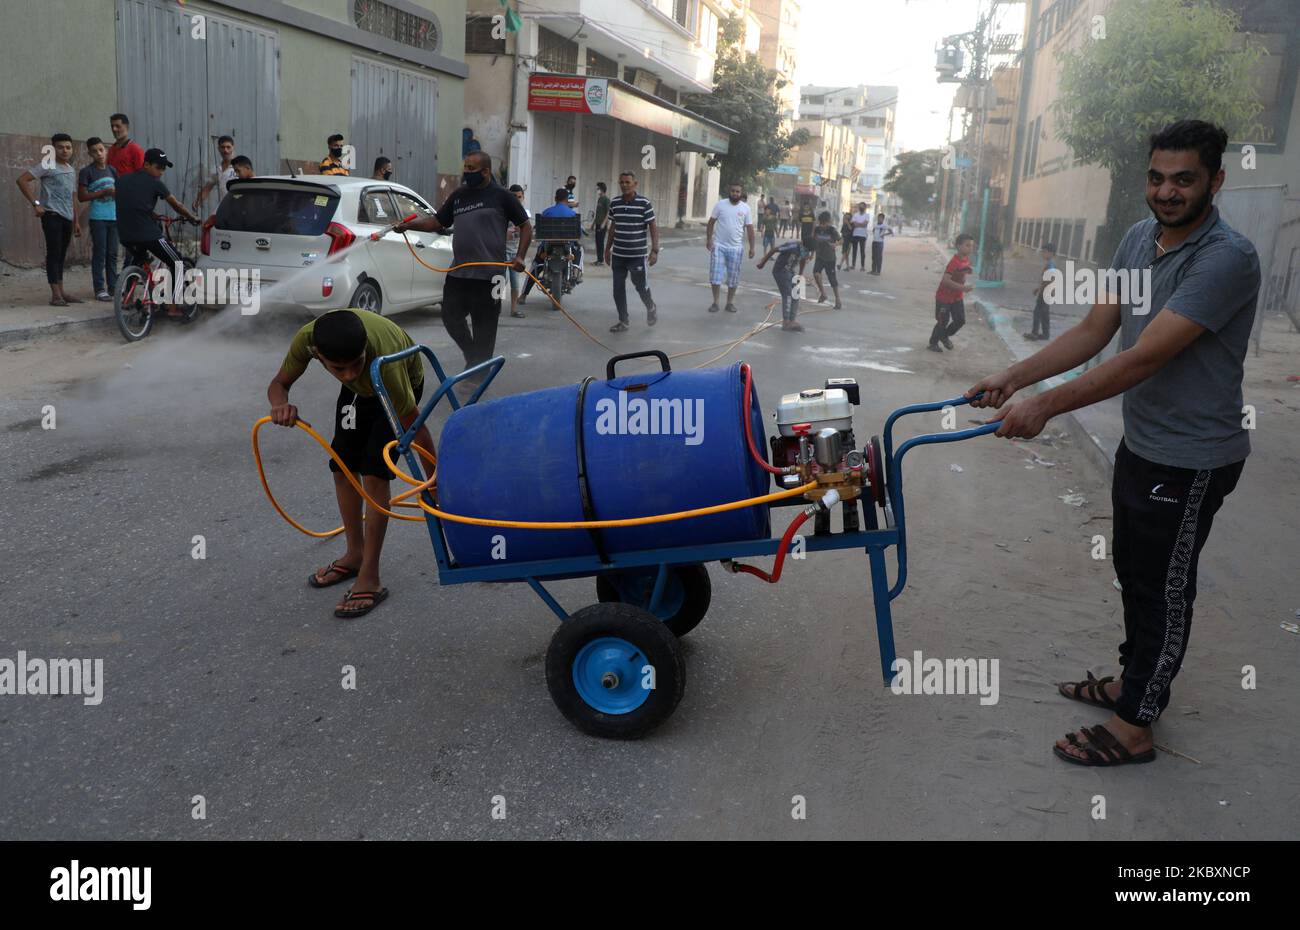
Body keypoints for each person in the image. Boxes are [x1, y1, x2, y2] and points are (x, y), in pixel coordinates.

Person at [967, 120, 1258, 768]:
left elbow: (1141, 359)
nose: (1167, 191)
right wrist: (1015, 376)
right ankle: (1135, 683)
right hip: (1146, 444)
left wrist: (1044, 405)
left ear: (1216, 180)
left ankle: (1135, 726)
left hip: (1195, 459)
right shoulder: (1136, 239)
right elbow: (1098, 329)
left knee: (1164, 588)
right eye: (1157, 177)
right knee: (1134, 572)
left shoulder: (1226, 258)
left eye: (1184, 179)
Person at [267, 308, 434, 620]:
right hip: (361, 394)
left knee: (374, 471)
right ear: (317, 354)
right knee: (342, 467)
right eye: (338, 369)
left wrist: (434, 484)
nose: (348, 374)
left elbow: (417, 428)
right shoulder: (307, 340)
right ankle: (355, 554)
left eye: (355, 363)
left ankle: (370, 574)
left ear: (364, 351)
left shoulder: (385, 363)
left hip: (395, 383)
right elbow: (279, 383)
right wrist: (280, 405)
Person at [394, 151, 530, 372]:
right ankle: (474, 357)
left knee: (484, 328)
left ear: (486, 171)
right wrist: (408, 225)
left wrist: (520, 256)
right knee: (450, 317)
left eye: (471, 169)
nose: (466, 172)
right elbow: (437, 221)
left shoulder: (502, 196)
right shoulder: (459, 196)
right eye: (465, 167)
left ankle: (478, 373)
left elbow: (526, 225)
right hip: (459, 273)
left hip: (491, 277)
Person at [114, 148, 202, 316]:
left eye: (163, 168)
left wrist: (150, 213)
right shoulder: (155, 183)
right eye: (158, 167)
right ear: (146, 164)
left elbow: (132, 203)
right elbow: (176, 205)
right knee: (177, 262)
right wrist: (192, 217)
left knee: (137, 261)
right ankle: (173, 307)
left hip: (125, 234)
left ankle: (128, 298)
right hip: (147, 234)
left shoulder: (122, 181)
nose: (161, 172)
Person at [16, 133, 82, 306]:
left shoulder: (70, 168)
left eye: (68, 147)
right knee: (54, 254)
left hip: (68, 217)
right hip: (52, 216)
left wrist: (76, 221)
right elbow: (22, 180)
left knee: (61, 255)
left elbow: (73, 196)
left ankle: (62, 291)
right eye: (60, 147)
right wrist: (36, 204)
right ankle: (55, 295)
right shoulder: (47, 165)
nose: (65, 150)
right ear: (53, 149)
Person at [604, 170, 659, 333]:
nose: (624, 185)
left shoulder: (644, 203)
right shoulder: (615, 203)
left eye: (628, 182)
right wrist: (607, 249)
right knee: (618, 288)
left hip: (637, 256)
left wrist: (655, 250)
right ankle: (623, 321)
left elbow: (653, 226)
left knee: (641, 286)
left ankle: (651, 307)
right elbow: (613, 227)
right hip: (619, 255)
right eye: (621, 182)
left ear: (635, 184)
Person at [519, 188, 585, 305]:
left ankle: (524, 295)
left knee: (535, 265)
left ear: (555, 199)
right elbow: (579, 234)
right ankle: (576, 270)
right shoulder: (572, 214)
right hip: (567, 245)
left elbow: (538, 230)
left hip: (548, 246)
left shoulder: (547, 212)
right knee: (580, 249)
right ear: (566, 200)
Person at [77, 137, 118, 301]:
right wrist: (103, 193)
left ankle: (114, 287)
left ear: (106, 150)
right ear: (90, 154)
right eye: (94, 151)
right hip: (98, 218)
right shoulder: (87, 172)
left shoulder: (113, 170)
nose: (99, 154)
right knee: (100, 253)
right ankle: (99, 288)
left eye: (101, 150)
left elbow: (119, 191)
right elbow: (81, 196)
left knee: (113, 254)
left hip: (114, 217)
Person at [705, 183, 755, 314]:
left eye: (738, 192)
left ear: (741, 193)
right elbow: (711, 222)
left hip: (736, 248)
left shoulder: (745, 208)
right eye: (733, 191)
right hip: (719, 246)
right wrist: (709, 239)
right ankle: (715, 302)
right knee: (715, 276)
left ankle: (729, 303)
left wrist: (752, 247)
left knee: (733, 278)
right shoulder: (720, 205)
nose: (735, 193)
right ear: (729, 191)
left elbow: (750, 229)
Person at [929, 233, 975, 351]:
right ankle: (933, 343)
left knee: (960, 320)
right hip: (944, 297)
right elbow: (945, 280)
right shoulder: (953, 262)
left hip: (957, 297)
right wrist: (963, 288)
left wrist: (967, 270)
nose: (970, 248)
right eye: (967, 245)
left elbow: (962, 270)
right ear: (958, 246)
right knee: (942, 321)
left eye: (971, 246)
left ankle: (944, 336)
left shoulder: (966, 259)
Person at [757, 236, 812, 332]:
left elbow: (803, 260)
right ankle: (786, 322)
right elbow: (774, 250)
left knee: (796, 293)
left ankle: (792, 320)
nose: (807, 252)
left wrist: (800, 274)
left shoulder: (806, 250)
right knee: (787, 294)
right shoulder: (792, 246)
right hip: (780, 270)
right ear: (802, 244)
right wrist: (763, 262)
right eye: (805, 249)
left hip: (790, 271)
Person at [504, 184, 530, 318]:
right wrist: (504, 233)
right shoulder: (502, 212)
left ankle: (513, 309)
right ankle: (494, 307)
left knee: (515, 282)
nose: (517, 199)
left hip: (515, 253)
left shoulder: (525, 215)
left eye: (519, 197)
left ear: (523, 197)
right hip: (502, 252)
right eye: (513, 197)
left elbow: (528, 233)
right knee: (501, 280)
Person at [1025, 241, 1057, 341]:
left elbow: (1049, 279)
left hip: (1045, 293)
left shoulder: (1050, 265)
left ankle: (1034, 333)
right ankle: (1045, 334)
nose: (1043, 254)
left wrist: (1039, 289)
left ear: (1051, 253)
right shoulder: (1050, 263)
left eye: (1045, 252)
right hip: (1048, 292)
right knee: (1044, 313)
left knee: (1037, 312)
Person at [194, 135, 237, 211]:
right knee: (209, 222)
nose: (226, 150)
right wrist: (198, 200)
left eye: (228, 147)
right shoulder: (217, 169)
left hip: (239, 206)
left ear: (233, 147)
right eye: (223, 147)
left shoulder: (239, 166)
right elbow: (208, 187)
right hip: (224, 206)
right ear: (218, 149)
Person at [811, 212, 843, 309]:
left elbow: (841, 240)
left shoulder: (832, 230)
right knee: (816, 273)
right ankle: (823, 294)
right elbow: (813, 242)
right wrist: (811, 254)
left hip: (830, 258)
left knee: (832, 279)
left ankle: (838, 300)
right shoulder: (816, 230)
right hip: (819, 257)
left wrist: (835, 244)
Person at [106, 113, 144, 178]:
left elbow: (142, 175)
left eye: (118, 126)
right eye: (112, 126)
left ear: (127, 127)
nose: (114, 129)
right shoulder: (111, 150)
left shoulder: (135, 149)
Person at [592, 181, 611, 266]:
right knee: (597, 242)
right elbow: (598, 212)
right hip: (598, 224)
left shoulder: (606, 200)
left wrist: (604, 223)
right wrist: (593, 223)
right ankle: (598, 259)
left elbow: (608, 212)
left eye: (598, 188)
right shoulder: (599, 199)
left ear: (602, 189)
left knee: (600, 242)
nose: (597, 190)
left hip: (602, 225)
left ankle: (601, 260)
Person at [849, 202, 871, 270]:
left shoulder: (867, 215)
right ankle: (853, 265)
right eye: (860, 206)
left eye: (863, 206)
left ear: (865, 208)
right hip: (855, 234)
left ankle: (862, 266)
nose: (861, 207)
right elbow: (854, 224)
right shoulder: (855, 215)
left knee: (862, 251)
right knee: (854, 250)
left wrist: (858, 224)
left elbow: (865, 224)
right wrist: (861, 224)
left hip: (863, 235)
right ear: (859, 207)